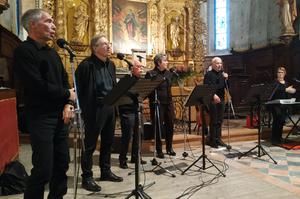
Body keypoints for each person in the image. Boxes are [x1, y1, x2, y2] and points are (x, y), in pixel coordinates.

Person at [13, 9, 76, 199]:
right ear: (32, 24)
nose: (54, 26)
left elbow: (65, 82)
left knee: (61, 164)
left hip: (61, 116)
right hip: (41, 117)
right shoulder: (24, 51)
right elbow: (36, 85)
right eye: (48, 21)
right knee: (43, 168)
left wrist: (67, 104)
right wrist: (67, 94)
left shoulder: (53, 53)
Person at [75, 35, 123, 192]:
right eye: (104, 44)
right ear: (95, 48)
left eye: (109, 43)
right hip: (94, 109)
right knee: (89, 145)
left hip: (110, 107)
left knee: (108, 142)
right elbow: (80, 90)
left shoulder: (111, 65)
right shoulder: (86, 65)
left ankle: (105, 171)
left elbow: (113, 85)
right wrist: (83, 110)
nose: (109, 46)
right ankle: (87, 177)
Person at [145, 53, 176, 158]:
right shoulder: (151, 74)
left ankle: (169, 147)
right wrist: (154, 99)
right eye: (165, 61)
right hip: (157, 104)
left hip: (168, 103)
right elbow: (147, 91)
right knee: (158, 127)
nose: (167, 62)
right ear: (158, 63)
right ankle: (159, 150)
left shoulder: (168, 73)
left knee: (170, 125)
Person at [118, 59, 147, 169]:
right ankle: (122, 159)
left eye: (141, 67)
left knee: (139, 134)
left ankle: (135, 156)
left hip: (137, 110)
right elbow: (121, 96)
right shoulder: (126, 80)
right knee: (127, 136)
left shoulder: (139, 80)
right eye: (139, 67)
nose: (141, 69)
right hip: (126, 111)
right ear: (132, 68)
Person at [203, 57, 229, 148]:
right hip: (212, 100)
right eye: (217, 63)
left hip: (221, 99)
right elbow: (206, 87)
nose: (219, 65)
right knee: (214, 120)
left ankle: (218, 139)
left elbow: (227, 87)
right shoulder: (208, 75)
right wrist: (213, 95)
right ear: (213, 64)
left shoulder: (223, 75)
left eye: (220, 63)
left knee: (219, 120)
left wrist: (227, 79)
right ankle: (212, 140)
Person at [270, 67, 296, 145]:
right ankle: (274, 139)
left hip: (284, 105)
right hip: (276, 105)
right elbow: (275, 92)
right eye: (278, 72)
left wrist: (292, 92)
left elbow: (287, 93)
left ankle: (279, 138)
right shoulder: (275, 82)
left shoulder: (286, 83)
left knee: (281, 122)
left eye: (281, 72)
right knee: (276, 121)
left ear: (284, 74)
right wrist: (285, 90)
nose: (280, 74)